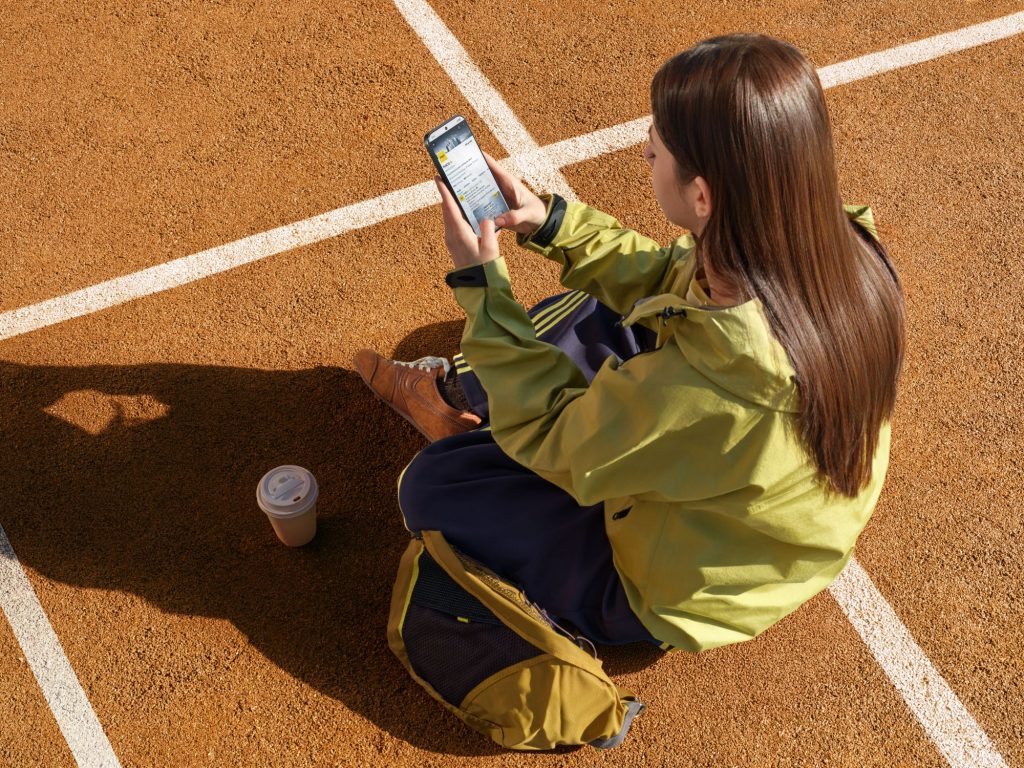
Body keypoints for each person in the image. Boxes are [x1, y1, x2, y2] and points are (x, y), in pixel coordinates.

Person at [354, 32, 905, 652]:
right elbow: (669, 277)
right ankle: (479, 391)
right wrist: (551, 223)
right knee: (613, 306)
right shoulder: (833, 252)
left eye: (657, 144)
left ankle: (480, 429)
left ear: (702, 195)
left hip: (671, 591)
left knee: (431, 485)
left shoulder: (706, 390)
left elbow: (552, 437)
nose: (646, 150)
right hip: (749, 518)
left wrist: (481, 286)